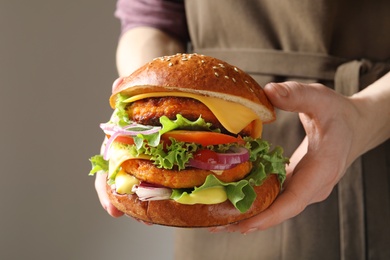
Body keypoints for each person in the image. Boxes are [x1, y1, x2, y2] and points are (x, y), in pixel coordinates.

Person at [95, 0, 390, 259]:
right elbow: (151, 18)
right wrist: (139, 119)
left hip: (370, 123)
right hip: (206, 235)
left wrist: (364, 115)